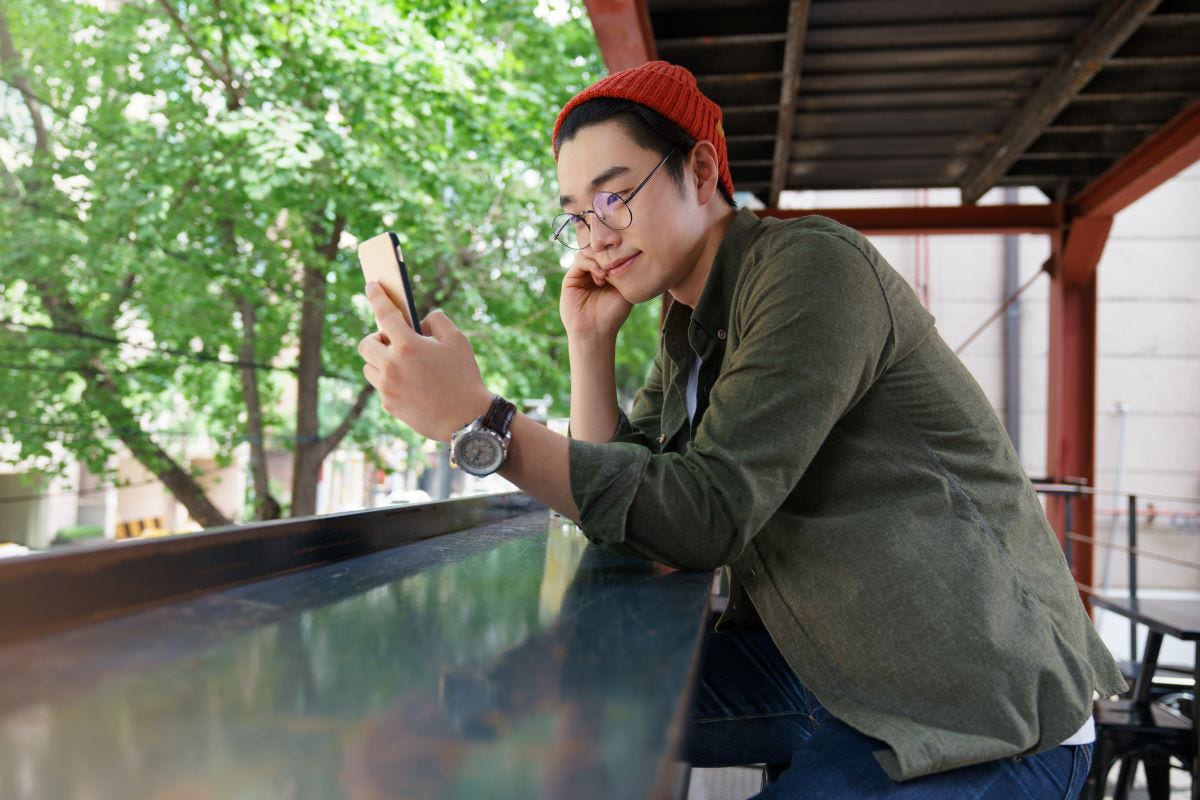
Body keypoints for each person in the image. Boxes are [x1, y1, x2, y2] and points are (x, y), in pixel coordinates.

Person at [357, 60, 1128, 798]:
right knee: (549, 689)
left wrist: (483, 422)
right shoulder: (688, 323)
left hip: (979, 705)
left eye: (614, 196)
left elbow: (706, 513)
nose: (594, 235)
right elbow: (631, 514)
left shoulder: (810, 268)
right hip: (831, 670)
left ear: (699, 171)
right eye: (575, 216)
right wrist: (588, 345)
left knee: (561, 700)